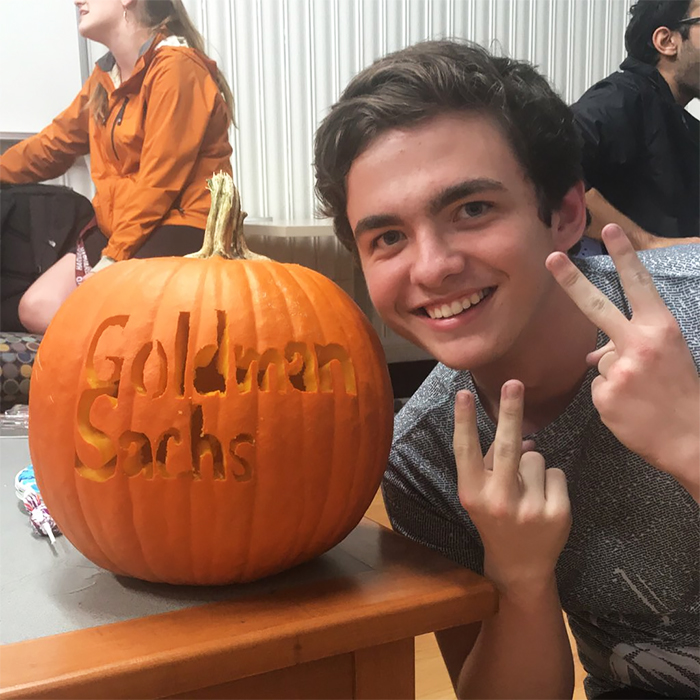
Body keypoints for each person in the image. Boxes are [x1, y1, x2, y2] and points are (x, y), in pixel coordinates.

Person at [314, 40, 700, 699]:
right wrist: (519, 579)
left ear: (565, 216)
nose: (432, 266)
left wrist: (693, 445)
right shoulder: (428, 458)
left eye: (472, 210)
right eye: (387, 238)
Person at [0, 0, 234, 333]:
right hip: (124, 227)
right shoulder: (104, 79)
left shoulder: (177, 68)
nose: (78, 1)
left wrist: (112, 260)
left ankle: (158, 354)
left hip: (180, 226)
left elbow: (158, 184)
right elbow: (51, 146)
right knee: (38, 307)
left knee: (101, 313)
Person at [572, 0, 700, 252]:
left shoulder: (683, 123)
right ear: (666, 41)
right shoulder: (620, 98)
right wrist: (645, 242)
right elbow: (547, 174)